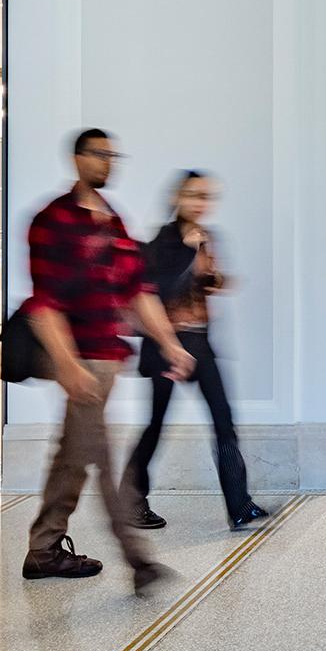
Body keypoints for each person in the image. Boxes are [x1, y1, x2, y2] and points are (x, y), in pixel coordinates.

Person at [22, 128, 194, 591]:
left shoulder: (113, 222)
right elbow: (44, 303)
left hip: (106, 358)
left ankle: (43, 549)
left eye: (113, 155)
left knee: (74, 456)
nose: (108, 162)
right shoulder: (51, 221)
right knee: (99, 456)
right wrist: (67, 364)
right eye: (99, 154)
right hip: (80, 360)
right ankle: (138, 561)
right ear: (77, 159)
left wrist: (170, 343)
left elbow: (138, 291)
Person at [121, 170, 268, 534]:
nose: (201, 203)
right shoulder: (163, 241)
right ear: (177, 198)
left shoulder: (207, 238)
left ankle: (239, 504)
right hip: (167, 344)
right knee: (156, 423)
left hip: (201, 342)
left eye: (206, 196)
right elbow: (157, 288)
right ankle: (130, 501)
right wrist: (188, 251)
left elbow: (204, 284)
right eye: (193, 195)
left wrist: (215, 279)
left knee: (223, 419)